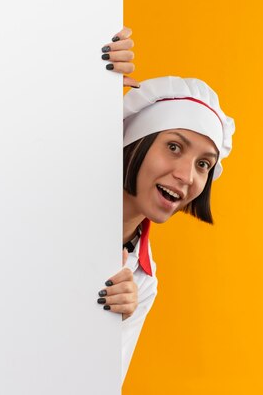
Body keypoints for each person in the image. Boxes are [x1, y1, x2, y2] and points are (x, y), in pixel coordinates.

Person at [96, 28, 236, 384]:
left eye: (203, 164)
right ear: (135, 143)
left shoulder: (142, 282)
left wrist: (109, 327)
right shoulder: (51, 192)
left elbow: (101, 385)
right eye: (174, 146)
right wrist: (84, 69)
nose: (186, 175)